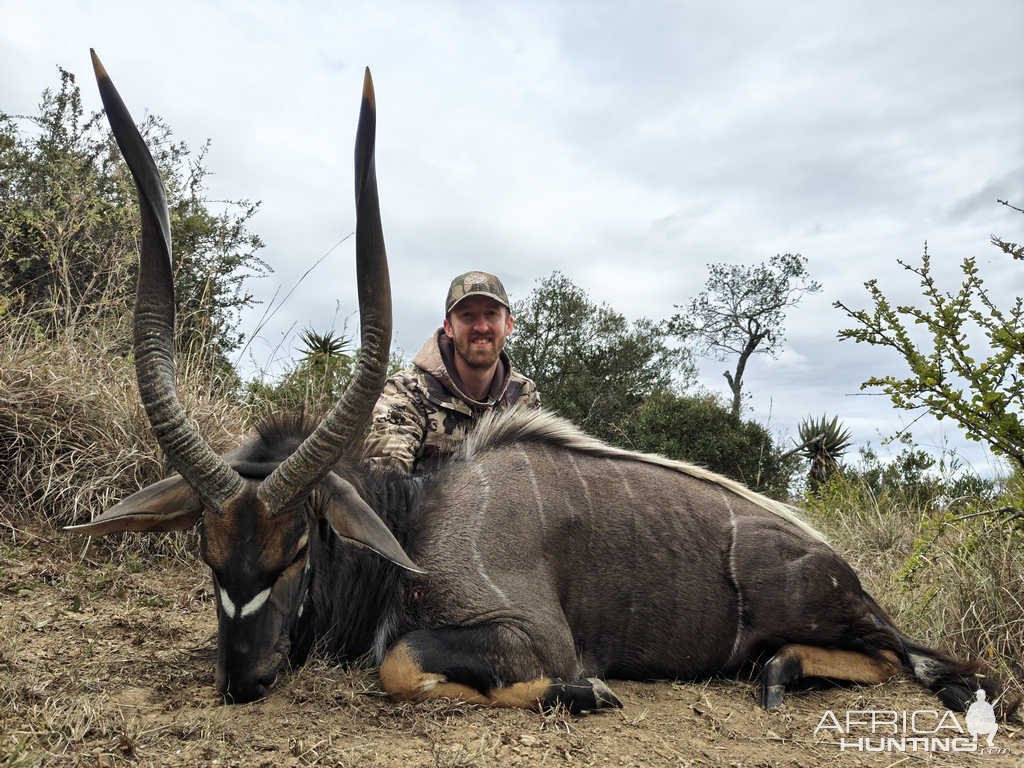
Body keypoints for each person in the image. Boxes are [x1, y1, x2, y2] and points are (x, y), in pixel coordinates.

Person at [363, 270, 540, 473]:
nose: (481, 327)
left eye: (491, 314)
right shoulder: (406, 390)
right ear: (448, 327)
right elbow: (385, 478)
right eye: (467, 316)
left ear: (508, 325)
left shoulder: (524, 393)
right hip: (426, 505)